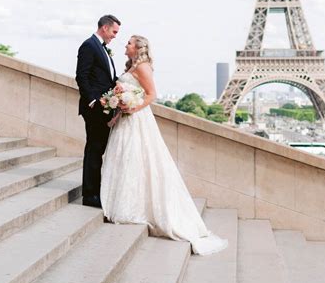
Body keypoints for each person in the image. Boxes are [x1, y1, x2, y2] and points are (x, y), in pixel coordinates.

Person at [101, 35, 228, 255]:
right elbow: (132, 93)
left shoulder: (143, 67)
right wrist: (118, 111)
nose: (126, 45)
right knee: (126, 160)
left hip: (137, 119)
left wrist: (133, 108)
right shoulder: (132, 66)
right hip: (125, 120)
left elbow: (151, 95)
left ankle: (133, 207)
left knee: (136, 159)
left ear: (138, 47)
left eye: (129, 43)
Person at [76, 15, 121, 208]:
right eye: (114, 32)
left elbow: (107, 77)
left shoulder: (102, 48)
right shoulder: (89, 46)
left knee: (98, 150)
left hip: (104, 108)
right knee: (94, 150)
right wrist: (94, 101)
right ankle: (90, 195)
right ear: (104, 28)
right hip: (95, 109)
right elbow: (82, 76)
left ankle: (96, 191)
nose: (115, 36)